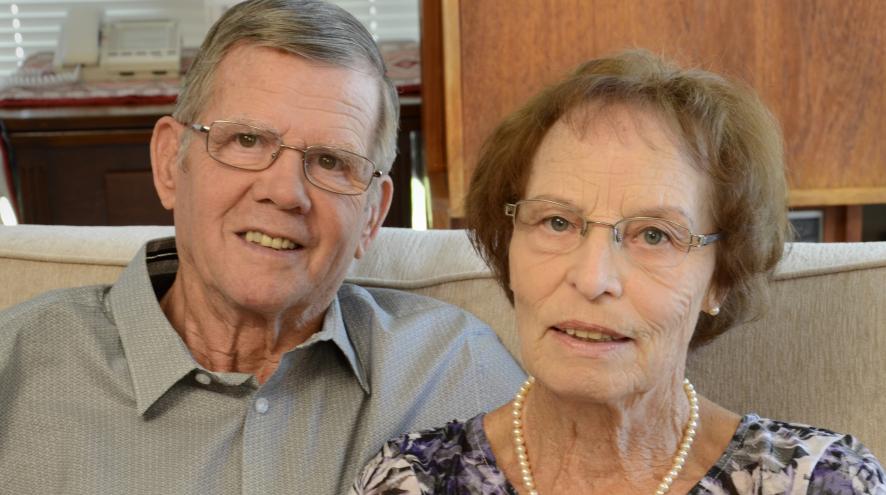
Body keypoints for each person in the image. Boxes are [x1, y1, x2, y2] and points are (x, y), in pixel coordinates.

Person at [0, 1, 524, 493]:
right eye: (247, 141)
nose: (284, 192)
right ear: (168, 164)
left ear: (371, 215)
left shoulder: (456, 369)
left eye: (330, 162)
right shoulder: (17, 367)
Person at [350, 50, 886, 494]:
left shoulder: (819, 480)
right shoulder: (410, 481)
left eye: (654, 235)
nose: (592, 277)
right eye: (557, 221)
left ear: (720, 277)